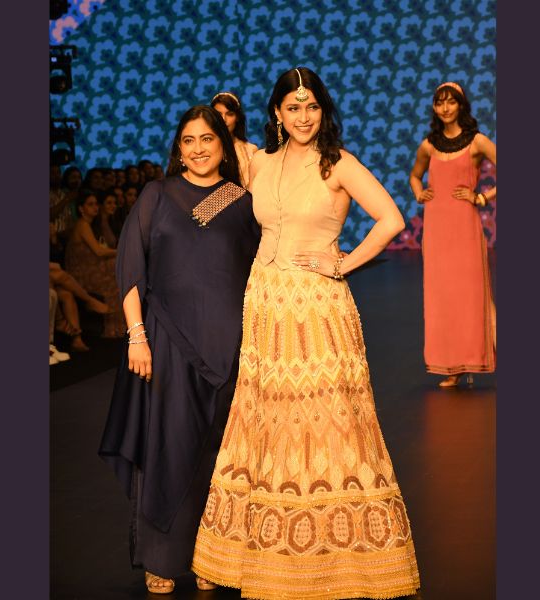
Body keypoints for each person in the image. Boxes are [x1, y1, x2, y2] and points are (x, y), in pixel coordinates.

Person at [191, 67, 420, 600]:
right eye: (292, 107)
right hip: (265, 303)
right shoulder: (259, 163)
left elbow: (391, 219)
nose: (302, 116)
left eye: (311, 106)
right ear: (276, 112)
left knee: (329, 420)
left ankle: (341, 562)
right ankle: (250, 556)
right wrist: (171, 214)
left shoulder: (337, 163)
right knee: (264, 419)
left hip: (317, 307)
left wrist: (343, 263)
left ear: (323, 110)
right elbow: (208, 205)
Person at [98, 105, 260, 595]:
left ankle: (211, 557)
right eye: (189, 140)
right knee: (167, 448)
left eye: (207, 138)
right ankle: (163, 560)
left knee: (218, 454)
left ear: (223, 145)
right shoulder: (158, 194)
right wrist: (137, 335)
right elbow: (131, 267)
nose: (198, 148)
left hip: (229, 348)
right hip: (166, 342)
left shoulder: (240, 201)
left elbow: (260, 271)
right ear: (178, 149)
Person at [408, 81, 497, 388]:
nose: (445, 108)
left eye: (451, 102)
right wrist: (419, 192)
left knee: (472, 295)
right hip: (436, 230)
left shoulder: (477, 142)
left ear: (461, 105)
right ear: (434, 107)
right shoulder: (429, 145)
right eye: (439, 103)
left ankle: (473, 358)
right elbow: (415, 175)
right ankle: (453, 367)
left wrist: (481, 197)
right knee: (443, 297)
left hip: (465, 228)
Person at [64, 190, 125, 338]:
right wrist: (123, 251)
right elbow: (98, 251)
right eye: (90, 204)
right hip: (81, 272)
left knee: (116, 268)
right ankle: (113, 327)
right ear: (81, 208)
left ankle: (120, 325)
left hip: (90, 267)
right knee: (115, 275)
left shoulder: (89, 225)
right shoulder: (82, 225)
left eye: (96, 204)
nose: (95, 207)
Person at [211, 91, 259, 188]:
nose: (223, 119)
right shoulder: (204, 149)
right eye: (218, 114)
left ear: (237, 117)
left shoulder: (250, 150)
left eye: (229, 114)